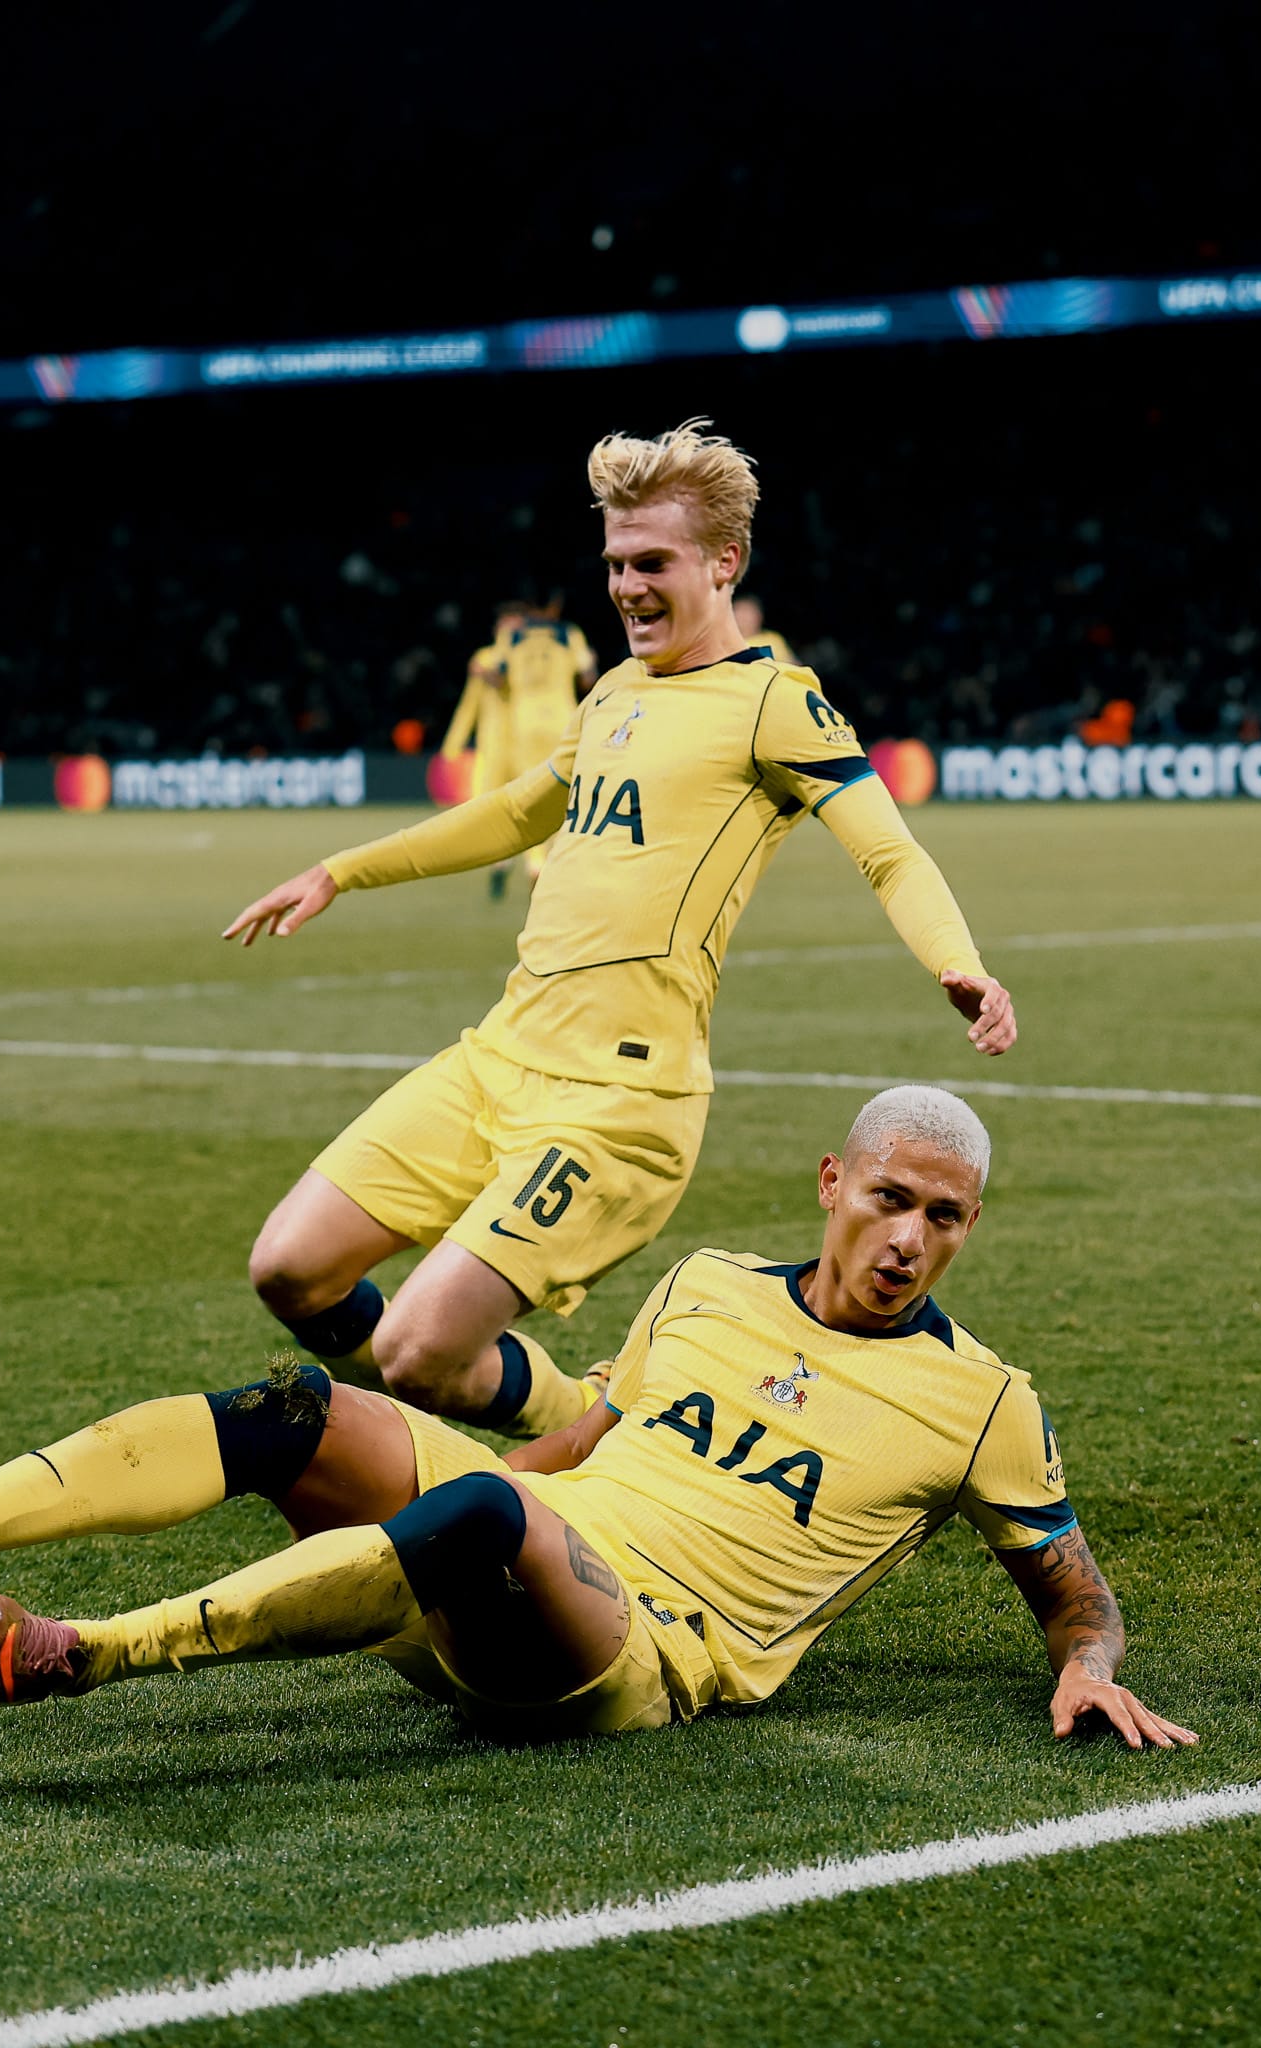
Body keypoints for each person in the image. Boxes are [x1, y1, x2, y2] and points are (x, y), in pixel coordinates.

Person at [0, 1087, 1194, 1754]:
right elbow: (587, 1439)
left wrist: (1086, 1664)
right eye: (890, 1197)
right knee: (303, 1410)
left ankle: (84, 1654)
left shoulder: (985, 1401)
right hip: (535, 1524)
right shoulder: (707, 1284)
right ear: (833, 1180)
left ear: (968, 1230)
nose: (909, 1237)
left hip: (636, 1642)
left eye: (943, 1218)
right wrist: (434, 1475)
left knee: (486, 1516)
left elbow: (1074, 1593)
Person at [227, 420, 1018, 1446]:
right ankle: (387, 1429)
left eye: (653, 562)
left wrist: (957, 961)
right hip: (501, 1057)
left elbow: (889, 853)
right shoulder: (612, 691)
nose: (627, 586)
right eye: (614, 563)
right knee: (289, 1268)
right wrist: (342, 869)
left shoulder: (776, 703)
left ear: (724, 562)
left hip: (619, 1102)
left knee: (419, 1350)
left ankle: (593, 1419)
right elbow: (518, 811)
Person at [437, 603, 596, 897]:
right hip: (554, 722)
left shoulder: (507, 646)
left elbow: (491, 680)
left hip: (522, 731)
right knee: (559, 795)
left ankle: (535, 864)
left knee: (528, 801)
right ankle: (518, 863)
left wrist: (453, 743)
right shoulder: (567, 634)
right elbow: (588, 674)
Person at [733, 592, 796, 665]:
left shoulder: (773, 639)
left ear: (759, 616)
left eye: (748, 612)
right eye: (739, 611)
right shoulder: (725, 642)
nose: (743, 618)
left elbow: (792, 665)